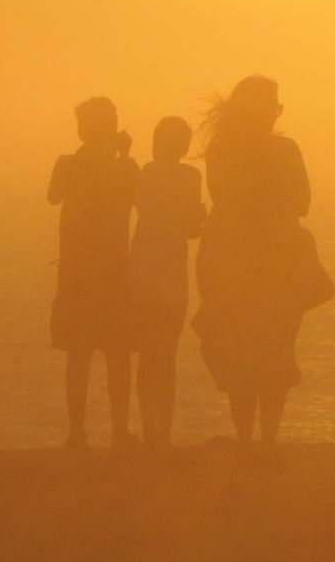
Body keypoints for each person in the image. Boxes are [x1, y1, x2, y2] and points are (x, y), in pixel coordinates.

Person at [192, 76, 333, 464]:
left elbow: (226, 202)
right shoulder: (284, 150)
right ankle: (267, 441)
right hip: (275, 266)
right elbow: (301, 203)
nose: (274, 114)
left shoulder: (222, 151)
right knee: (275, 355)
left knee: (243, 358)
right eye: (272, 106)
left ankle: (247, 441)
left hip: (234, 266)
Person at [48, 97, 139, 450]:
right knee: (116, 356)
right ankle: (118, 431)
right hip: (112, 271)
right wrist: (124, 156)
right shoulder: (124, 167)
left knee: (79, 355)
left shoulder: (68, 163)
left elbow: (53, 195)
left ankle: (77, 432)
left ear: (82, 129)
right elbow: (137, 199)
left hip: (78, 273)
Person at [129, 116, 205, 449]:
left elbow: (146, 209)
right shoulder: (190, 176)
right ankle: (164, 431)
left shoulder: (147, 173)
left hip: (145, 270)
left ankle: (151, 430)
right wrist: (194, 212)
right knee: (167, 355)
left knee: (148, 356)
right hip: (172, 272)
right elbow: (191, 228)